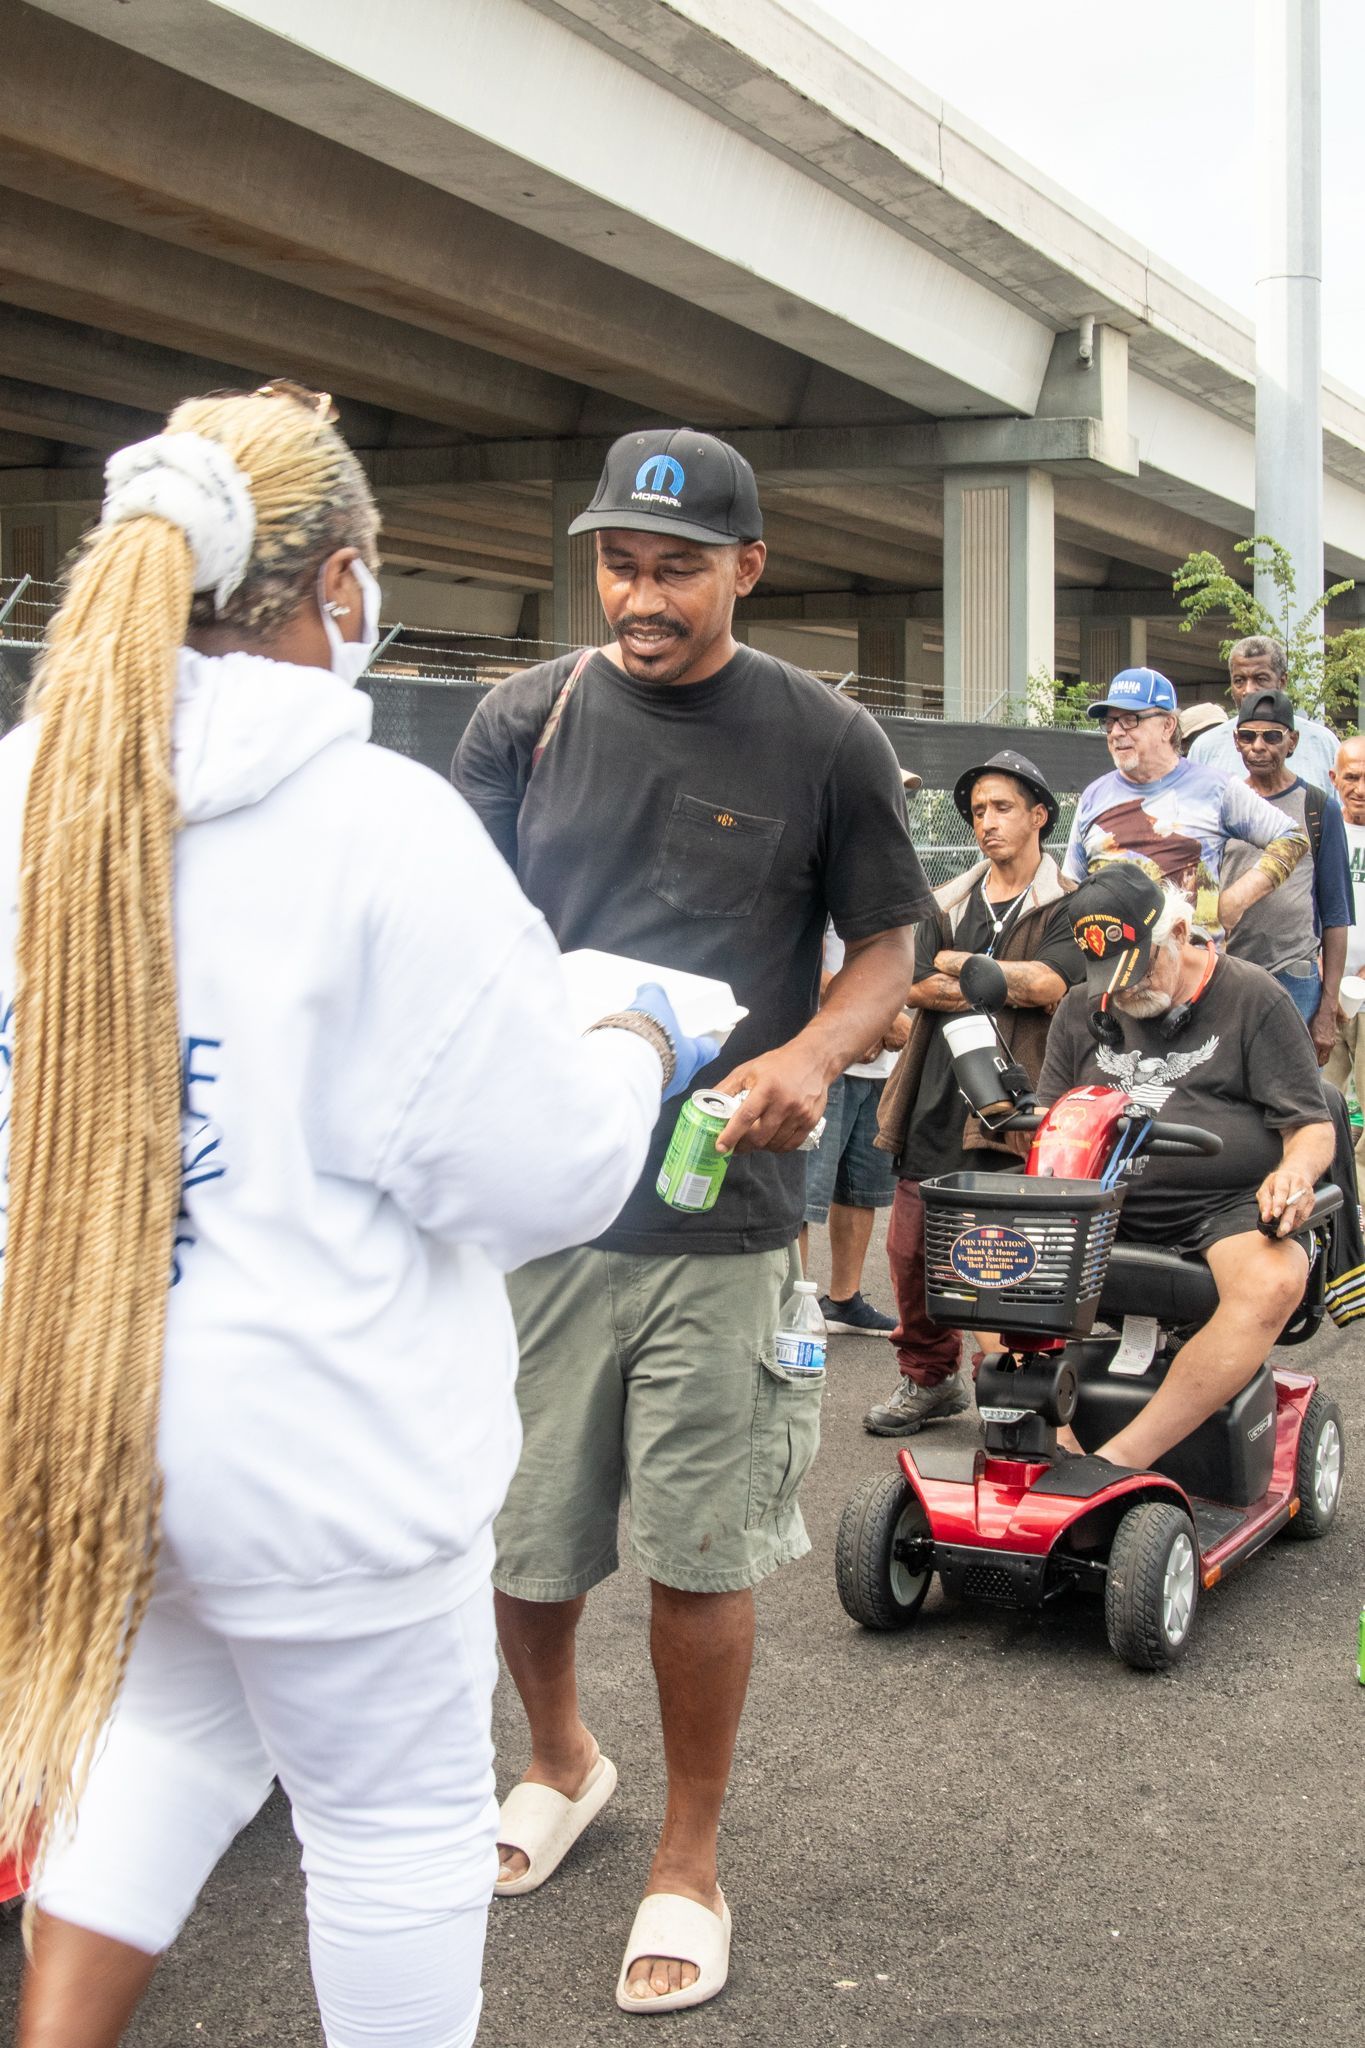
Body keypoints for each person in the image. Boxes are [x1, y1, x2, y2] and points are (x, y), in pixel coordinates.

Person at [0, 387, 718, 2048]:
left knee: (169, 1736)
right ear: (338, 585)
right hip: (324, 1458)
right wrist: (634, 1036)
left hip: (84, 1424)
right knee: (390, 1827)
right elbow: (535, 1174)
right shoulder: (377, 823)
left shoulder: (24, 800)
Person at [453, 427, 929, 2014]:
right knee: (526, 1537)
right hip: (538, 1207)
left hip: (723, 1214)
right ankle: (562, 1760)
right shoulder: (526, 719)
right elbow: (458, 938)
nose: (640, 595)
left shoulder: (824, 736)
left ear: (746, 565)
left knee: (698, 1553)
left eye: (674, 565)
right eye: (618, 563)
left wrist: (806, 1054)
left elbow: (883, 942)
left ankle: (689, 1856)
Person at [1039, 864, 1334, 1470]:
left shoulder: (1254, 996)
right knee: (982, 1264)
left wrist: (1295, 1174)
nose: (1124, 991)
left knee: (1274, 1279)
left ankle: (1120, 1463)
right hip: (1099, 1205)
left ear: (1180, 931)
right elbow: (1048, 1120)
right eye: (1109, 977)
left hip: (1217, 1212)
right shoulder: (1081, 1006)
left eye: (1140, 968)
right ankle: (1060, 1446)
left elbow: (1312, 1123)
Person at [864, 750, 1084, 1434]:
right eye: (977, 812)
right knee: (907, 1254)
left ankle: (1017, 1389)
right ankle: (928, 1381)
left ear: (1039, 816)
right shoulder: (948, 897)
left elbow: (1050, 986)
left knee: (1001, 1256)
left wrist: (957, 969)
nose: (986, 823)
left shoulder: (1067, 902)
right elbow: (910, 979)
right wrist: (986, 980)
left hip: (1011, 1105)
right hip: (931, 1090)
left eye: (1001, 808)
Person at [1064, 665, 1308, 940]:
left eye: (1130, 719)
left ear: (1167, 725)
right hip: (1113, 970)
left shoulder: (1215, 787)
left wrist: (1235, 901)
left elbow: (1292, 837)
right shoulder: (1093, 797)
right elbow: (1072, 886)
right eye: (1110, 722)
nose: (1116, 732)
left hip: (1195, 971)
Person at [1219, 686, 1352, 1053]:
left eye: (1271, 736)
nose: (1258, 746)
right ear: (1236, 741)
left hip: (1294, 976)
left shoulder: (1316, 807)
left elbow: (1336, 912)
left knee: (1291, 1095)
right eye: (1248, 736)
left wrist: (1327, 1008)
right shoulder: (1222, 802)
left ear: (1291, 742)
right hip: (1226, 972)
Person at [798, 919, 907, 1335]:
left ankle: (844, 1300)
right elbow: (809, 960)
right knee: (805, 1190)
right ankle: (793, 1303)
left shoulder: (900, 890)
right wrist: (871, 1017)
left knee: (861, 1188)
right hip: (831, 1050)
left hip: (880, 1066)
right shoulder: (835, 865)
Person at [1188, 634, 1340, 788]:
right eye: (1239, 681)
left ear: (1282, 682)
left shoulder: (1323, 744)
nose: (1248, 690)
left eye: (1260, 679)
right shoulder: (1206, 748)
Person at [1326, 732, 1365, 1166]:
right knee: (1324, 1102)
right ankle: (1333, 1202)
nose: (1361, 789)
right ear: (1335, 778)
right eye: (1352, 777)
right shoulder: (1323, 829)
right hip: (1326, 992)